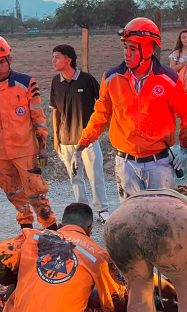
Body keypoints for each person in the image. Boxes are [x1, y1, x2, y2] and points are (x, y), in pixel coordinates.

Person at [71, 18, 187, 203]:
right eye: (125, 48)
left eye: (133, 49)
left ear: (149, 50)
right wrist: (81, 145)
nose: (127, 54)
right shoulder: (111, 78)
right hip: (126, 163)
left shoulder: (168, 79)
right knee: (131, 220)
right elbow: (100, 115)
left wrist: (184, 148)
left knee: (161, 218)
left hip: (160, 164)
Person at [0, 35, 58, 231]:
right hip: (0, 151)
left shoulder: (26, 83)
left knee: (35, 190)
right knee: (12, 190)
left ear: (9, 60)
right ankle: (26, 228)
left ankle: (51, 228)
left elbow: (38, 118)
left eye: (1, 61)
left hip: (25, 149)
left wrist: (42, 147)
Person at [50, 44, 110, 223]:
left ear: (69, 60)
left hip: (88, 139)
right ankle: (82, 212)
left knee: (95, 175)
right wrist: (56, 137)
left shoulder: (86, 79)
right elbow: (55, 111)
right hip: (66, 140)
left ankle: (102, 210)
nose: (53, 61)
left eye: (57, 57)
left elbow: (103, 102)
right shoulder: (55, 81)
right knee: (75, 178)